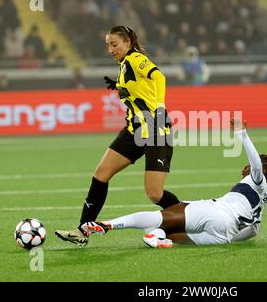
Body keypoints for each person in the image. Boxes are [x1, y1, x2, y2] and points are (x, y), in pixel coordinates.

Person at [55, 25, 180, 246]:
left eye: (114, 44)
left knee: (154, 194)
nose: (110, 49)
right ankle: (82, 232)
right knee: (101, 174)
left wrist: (160, 107)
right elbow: (139, 88)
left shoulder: (134, 58)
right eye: (108, 45)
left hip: (155, 129)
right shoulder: (124, 65)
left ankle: (186, 221)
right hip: (133, 130)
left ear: (128, 43)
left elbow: (158, 77)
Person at [80, 119, 267, 248]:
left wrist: (242, 135)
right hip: (225, 234)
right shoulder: (263, 197)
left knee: (159, 217)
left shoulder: (257, 180)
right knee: (169, 232)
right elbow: (254, 230)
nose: (246, 168)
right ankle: (158, 237)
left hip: (215, 211)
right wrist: (230, 238)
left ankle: (108, 225)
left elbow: (256, 167)